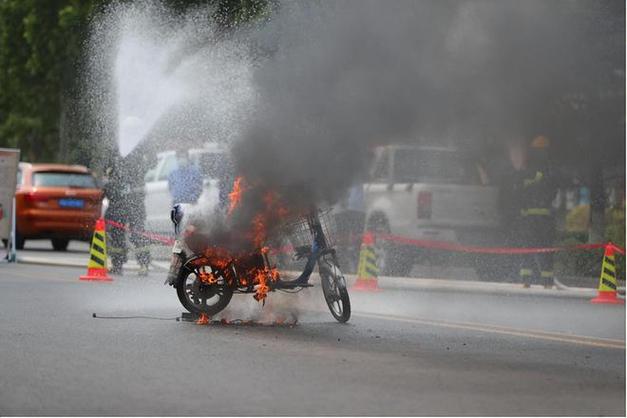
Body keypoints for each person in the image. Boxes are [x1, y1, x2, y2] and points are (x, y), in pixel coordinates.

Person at [507, 135, 557, 288]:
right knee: (546, 249)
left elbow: (517, 192)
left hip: (528, 218)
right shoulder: (549, 171)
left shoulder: (526, 170)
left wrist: (521, 209)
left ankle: (526, 281)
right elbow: (553, 192)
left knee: (527, 248)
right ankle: (547, 282)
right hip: (544, 219)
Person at [104, 155, 151, 276]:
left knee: (136, 235)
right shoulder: (119, 174)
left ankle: (142, 264)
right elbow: (109, 193)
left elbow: (140, 193)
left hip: (130, 210)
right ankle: (119, 265)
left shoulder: (135, 174)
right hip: (122, 211)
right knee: (119, 238)